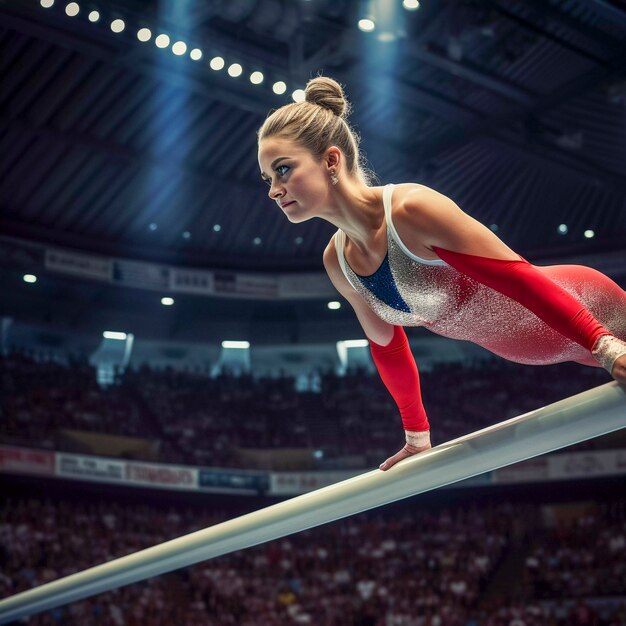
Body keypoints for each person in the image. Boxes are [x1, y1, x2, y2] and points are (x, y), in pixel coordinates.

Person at [257, 76, 626, 471]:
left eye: (282, 169)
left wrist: (605, 346)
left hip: (585, 309)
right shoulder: (338, 262)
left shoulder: (412, 211)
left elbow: (519, 280)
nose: (274, 190)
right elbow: (389, 348)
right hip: (539, 348)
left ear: (331, 160)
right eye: (267, 179)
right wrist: (417, 436)